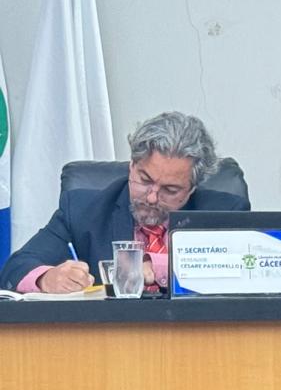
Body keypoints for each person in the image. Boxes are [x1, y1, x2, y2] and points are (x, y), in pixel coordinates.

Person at [0, 111, 248, 293]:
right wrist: (46, 278)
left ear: (192, 188)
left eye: (170, 190)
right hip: (108, 342)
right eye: (145, 180)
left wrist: (157, 267)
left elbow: (250, 270)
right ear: (132, 166)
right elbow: (15, 268)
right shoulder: (83, 210)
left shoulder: (224, 212)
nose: (152, 197)